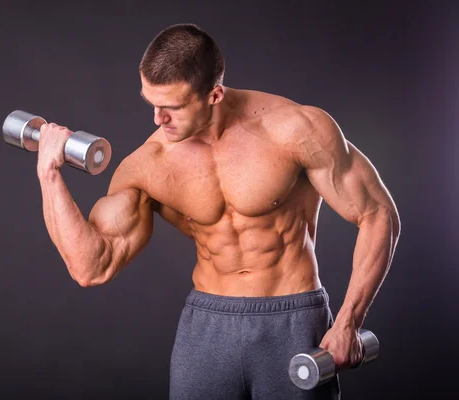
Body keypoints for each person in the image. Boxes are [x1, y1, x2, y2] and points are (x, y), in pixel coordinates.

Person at [35, 23, 401, 399]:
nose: (158, 120)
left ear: (214, 94)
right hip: (208, 329)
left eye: (172, 107)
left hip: (292, 320)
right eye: (151, 104)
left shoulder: (295, 130)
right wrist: (49, 174)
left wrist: (348, 323)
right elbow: (91, 267)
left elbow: (378, 214)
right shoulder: (149, 165)